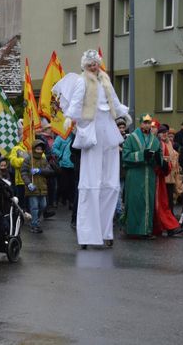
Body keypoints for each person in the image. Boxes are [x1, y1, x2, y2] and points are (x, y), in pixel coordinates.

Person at [63, 49, 130, 249]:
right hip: (91, 128)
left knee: (111, 183)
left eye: (96, 63)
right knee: (90, 182)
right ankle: (87, 235)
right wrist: (70, 117)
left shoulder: (106, 80)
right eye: (90, 64)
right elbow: (76, 101)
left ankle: (105, 231)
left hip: (107, 128)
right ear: (85, 66)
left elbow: (114, 100)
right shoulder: (82, 81)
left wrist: (122, 114)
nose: (94, 67)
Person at [122, 114, 162, 238]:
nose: (147, 125)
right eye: (145, 122)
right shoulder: (131, 138)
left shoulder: (155, 140)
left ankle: (146, 230)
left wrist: (157, 158)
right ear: (140, 123)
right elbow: (125, 155)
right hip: (135, 174)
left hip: (149, 174)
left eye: (149, 122)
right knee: (135, 201)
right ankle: (132, 230)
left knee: (147, 202)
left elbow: (159, 156)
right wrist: (141, 155)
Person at [21, 139, 55, 233]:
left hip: (42, 188)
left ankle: (35, 220)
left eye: (41, 149)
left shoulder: (44, 160)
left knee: (43, 205)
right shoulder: (28, 159)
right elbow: (23, 172)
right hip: (32, 188)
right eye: (37, 149)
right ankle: (34, 224)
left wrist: (40, 170)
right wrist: (28, 183)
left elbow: (50, 171)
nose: (39, 151)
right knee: (34, 207)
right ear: (34, 149)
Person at [51, 132, 75, 212]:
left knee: (72, 185)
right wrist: (61, 155)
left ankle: (71, 202)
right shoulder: (60, 137)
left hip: (74, 164)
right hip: (63, 165)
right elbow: (54, 148)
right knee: (62, 185)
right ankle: (57, 200)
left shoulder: (75, 136)